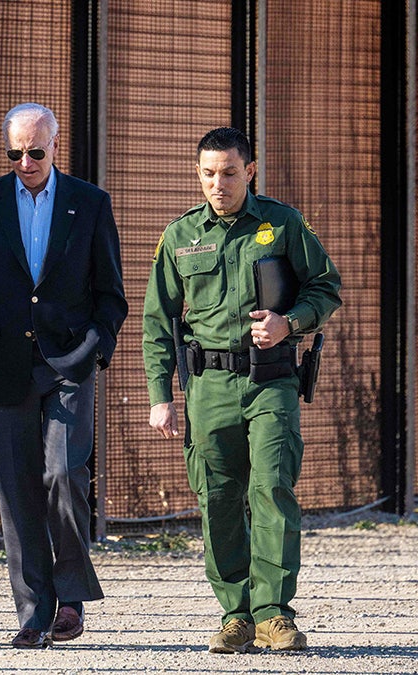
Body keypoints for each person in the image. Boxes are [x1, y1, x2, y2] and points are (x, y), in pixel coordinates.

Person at [142, 127, 341, 654]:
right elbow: (158, 323)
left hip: (271, 377)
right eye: (208, 173)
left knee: (272, 486)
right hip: (208, 386)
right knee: (220, 498)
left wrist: (290, 322)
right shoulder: (180, 236)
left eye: (229, 172)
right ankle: (236, 614)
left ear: (249, 171)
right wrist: (160, 396)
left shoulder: (282, 223)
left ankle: (275, 613)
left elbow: (326, 286)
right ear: (198, 174)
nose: (218, 183)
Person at [0, 103, 127, 649]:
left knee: (65, 473)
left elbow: (111, 294)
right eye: (15, 152)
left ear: (55, 146)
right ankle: (33, 611)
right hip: (5, 365)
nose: (25, 161)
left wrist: (95, 349)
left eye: (36, 151)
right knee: (19, 490)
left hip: (70, 362)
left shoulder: (90, 204)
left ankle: (69, 598)